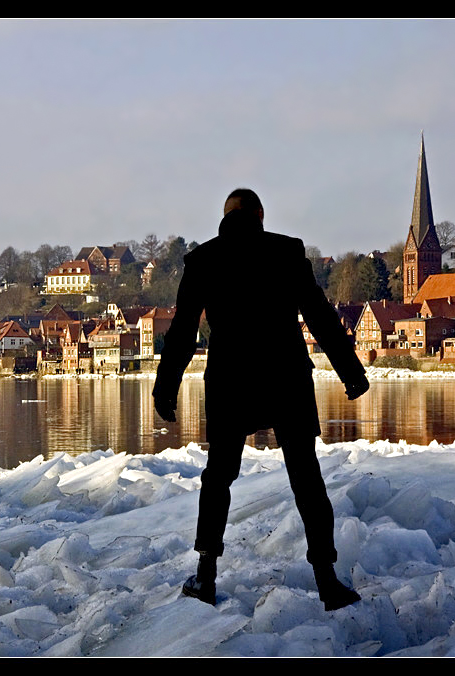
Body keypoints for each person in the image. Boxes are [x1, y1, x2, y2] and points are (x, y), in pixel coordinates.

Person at [152, 188, 369, 611]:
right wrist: (351, 371)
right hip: (285, 377)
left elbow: (181, 332)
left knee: (218, 478)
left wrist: (166, 388)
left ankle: (206, 575)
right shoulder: (287, 252)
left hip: (230, 383)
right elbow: (320, 315)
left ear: (225, 216)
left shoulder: (203, 260)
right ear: (260, 215)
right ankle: (327, 581)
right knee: (306, 478)